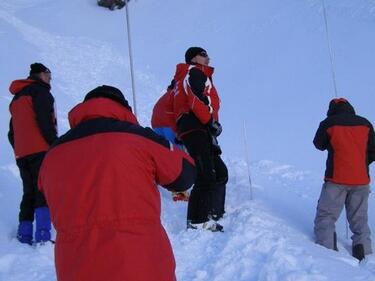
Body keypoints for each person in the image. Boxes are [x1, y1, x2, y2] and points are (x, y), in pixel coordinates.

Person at [38, 85, 196, 281]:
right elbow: (186, 174)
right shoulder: (137, 138)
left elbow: (44, 191)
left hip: (75, 269)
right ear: (123, 109)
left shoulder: (53, 155)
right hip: (142, 267)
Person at [173, 47, 228, 232]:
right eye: (204, 55)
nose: (208, 58)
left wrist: (212, 125)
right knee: (205, 174)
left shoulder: (196, 75)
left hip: (200, 128)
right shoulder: (193, 72)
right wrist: (209, 121)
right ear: (194, 57)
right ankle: (197, 220)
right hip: (195, 126)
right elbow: (195, 99)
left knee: (219, 172)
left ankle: (212, 211)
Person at [313, 98, 375, 261]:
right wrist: (361, 163)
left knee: (326, 215)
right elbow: (373, 150)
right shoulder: (365, 124)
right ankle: (364, 253)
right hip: (361, 180)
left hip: (336, 179)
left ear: (331, 110)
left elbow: (318, 144)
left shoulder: (329, 123)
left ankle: (327, 255)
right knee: (359, 219)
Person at [8, 63, 56, 245]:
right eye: (48, 74)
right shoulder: (41, 92)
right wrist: (54, 143)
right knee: (42, 189)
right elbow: (45, 121)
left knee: (28, 191)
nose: (50, 77)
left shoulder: (17, 99)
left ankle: (24, 234)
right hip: (40, 149)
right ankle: (43, 235)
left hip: (22, 153)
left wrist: (19, 148)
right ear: (40, 74)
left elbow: (11, 132)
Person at [151, 80, 189, 202]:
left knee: (164, 155)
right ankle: (178, 191)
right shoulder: (176, 95)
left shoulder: (163, 97)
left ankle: (157, 179)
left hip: (157, 126)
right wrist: (178, 132)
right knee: (176, 157)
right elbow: (175, 114)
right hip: (169, 127)